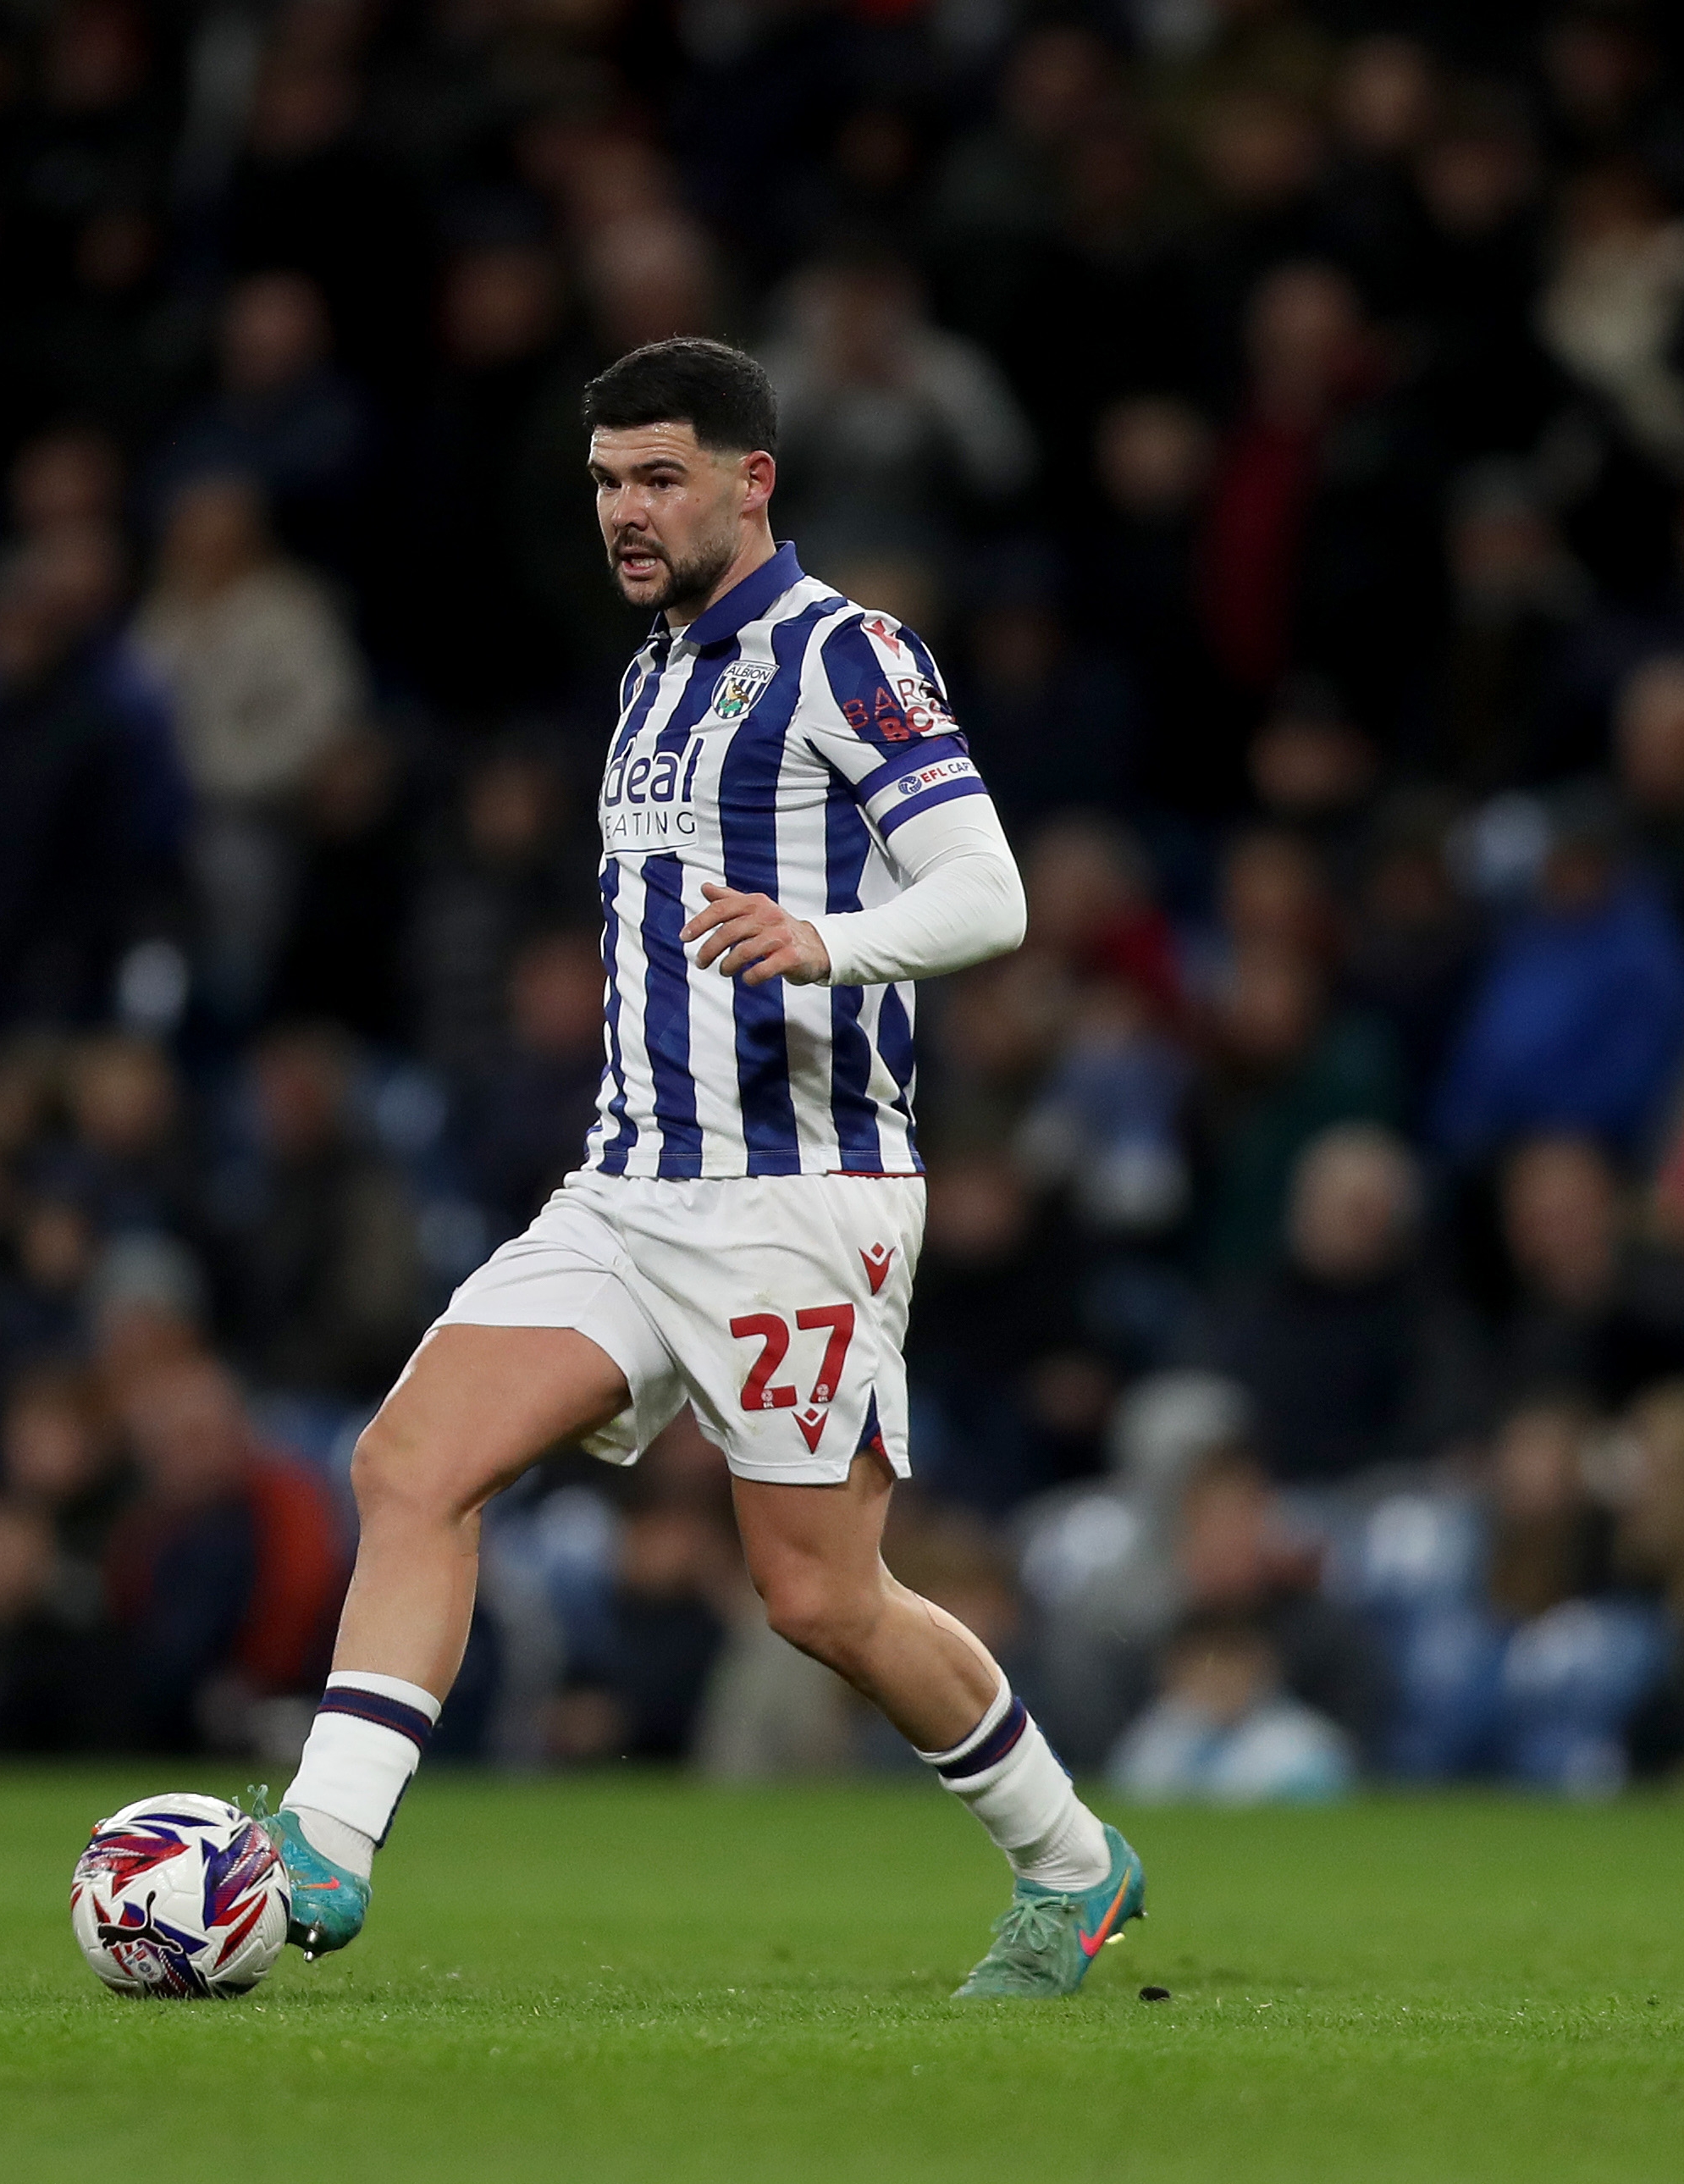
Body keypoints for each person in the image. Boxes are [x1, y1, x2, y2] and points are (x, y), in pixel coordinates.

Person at [246, 340, 1137, 1999]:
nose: (627, 513)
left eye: (660, 478)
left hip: (804, 1196)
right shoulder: (654, 675)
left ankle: (1073, 1863)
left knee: (819, 1598)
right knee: (409, 1465)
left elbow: (991, 893)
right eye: (604, 483)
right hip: (633, 1181)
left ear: (753, 480)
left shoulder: (845, 655)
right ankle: (325, 1840)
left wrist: (827, 940)